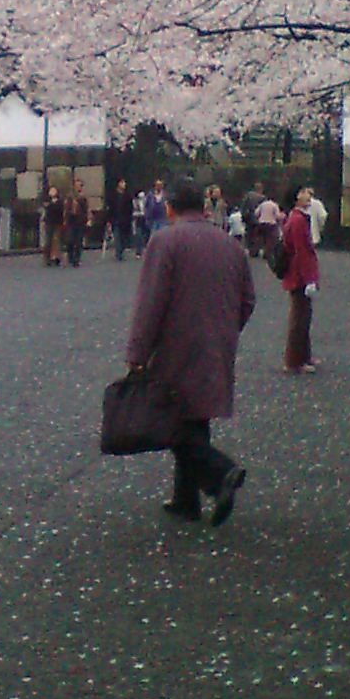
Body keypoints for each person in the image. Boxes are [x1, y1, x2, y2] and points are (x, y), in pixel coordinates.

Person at [124, 178, 255, 526]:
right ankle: (186, 498)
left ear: (170, 208)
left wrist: (138, 351)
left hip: (175, 343)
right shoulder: (229, 244)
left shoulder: (165, 241)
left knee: (170, 420)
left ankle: (219, 472)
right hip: (217, 341)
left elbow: (151, 302)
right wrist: (227, 328)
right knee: (194, 416)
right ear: (204, 206)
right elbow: (248, 299)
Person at [280, 184, 321, 373]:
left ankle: (303, 356)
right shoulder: (298, 220)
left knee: (303, 315)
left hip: (297, 274)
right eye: (305, 192)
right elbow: (302, 251)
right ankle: (295, 360)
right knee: (300, 318)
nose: (309, 195)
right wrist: (310, 278)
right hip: (299, 275)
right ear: (297, 196)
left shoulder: (296, 218)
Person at [64, 178, 90, 268]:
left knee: (79, 241)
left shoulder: (83, 197)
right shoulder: (70, 196)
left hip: (80, 222)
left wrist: (87, 220)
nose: (78, 187)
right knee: (70, 240)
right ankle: (70, 256)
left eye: (80, 185)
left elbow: (86, 210)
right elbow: (66, 209)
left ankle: (76, 259)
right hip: (71, 221)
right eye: (76, 185)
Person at [252, 189, 283, 260]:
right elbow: (277, 216)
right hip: (271, 224)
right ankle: (267, 254)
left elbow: (256, 213)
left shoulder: (262, 204)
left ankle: (255, 252)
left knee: (260, 238)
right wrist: (281, 216)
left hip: (261, 223)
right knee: (270, 240)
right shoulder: (274, 205)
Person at [108, 179, 134, 261]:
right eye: (122, 183)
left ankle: (122, 249)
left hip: (125, 220)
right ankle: (118, 253)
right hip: (115, 219)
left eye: (124, 183)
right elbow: (110, 208)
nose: (124, 184)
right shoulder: (113, 196)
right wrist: (109, 220)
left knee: (124, 237)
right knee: (117, 236)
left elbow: (130, 208)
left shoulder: (127, 196)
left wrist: (130, 218)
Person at [41, 185, 65, 267]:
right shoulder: (47, 200)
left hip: (57, 222)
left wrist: (50, 205)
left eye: (54, 191)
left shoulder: (60, 201)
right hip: (49, 222)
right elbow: (47, 208)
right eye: (51, 191)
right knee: (48, 240)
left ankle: (56, 257)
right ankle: (47, 258)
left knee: (57, 240)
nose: (52, 192)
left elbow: (58, 209)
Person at [142, 179, 168, 248]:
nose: (159, 187)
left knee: (163, 236)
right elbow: (146, 206)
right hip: (153, 220)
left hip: (163, 219)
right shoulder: (150, 195)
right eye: (157, 185)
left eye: (160, 185)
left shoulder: (166, 196)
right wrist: (147, 217)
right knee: (153, 237)